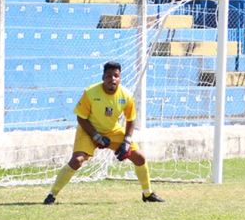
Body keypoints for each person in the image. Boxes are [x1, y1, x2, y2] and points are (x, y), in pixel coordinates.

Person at [44, 61, 164, 204]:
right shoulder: (90, 92)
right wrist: (96, 136)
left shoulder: (126, 96)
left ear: (119, 78)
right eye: (108, 76)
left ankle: (147, 193)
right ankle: (52, 194)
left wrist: (126, 141)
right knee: (77, 161)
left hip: (112, 131)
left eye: (115, 76)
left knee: (140, 158)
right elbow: (81, 118)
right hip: (88, 130)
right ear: (103, 77)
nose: (112, 79)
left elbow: (131, 119)